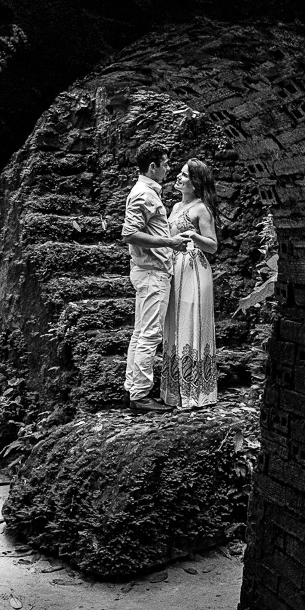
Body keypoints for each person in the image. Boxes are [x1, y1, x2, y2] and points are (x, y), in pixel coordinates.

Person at [120, 144, 186, 412]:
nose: (168, 168)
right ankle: (141, 395)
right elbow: (129, 233)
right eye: (166, 163)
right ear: (152, 167)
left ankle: (134, 388)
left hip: (149, 270)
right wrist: (168, 242)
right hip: (152, 272)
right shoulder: (143, 195)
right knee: (149, 334)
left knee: (140, 333)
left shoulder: (146, 193)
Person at [161, 158, 219, 409]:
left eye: (184, 175)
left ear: (195, 183)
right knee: (174, 323)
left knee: (190, 322)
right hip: (174, 269)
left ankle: (196, 392)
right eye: (180, 173)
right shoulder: (174, 207)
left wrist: (194, 235)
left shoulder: (201, 209)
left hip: (194, 269)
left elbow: (213, 246)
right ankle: (174, 392)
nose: (178, 177)